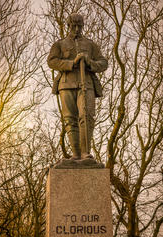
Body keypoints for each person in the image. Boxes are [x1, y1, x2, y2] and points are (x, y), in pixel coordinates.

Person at [47, 13, 108, 160]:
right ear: (68, 25)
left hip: (86, 84)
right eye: (73, 25)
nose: (76, 29)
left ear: (83, 26)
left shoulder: (90, 44)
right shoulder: (60, 44)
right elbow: (52, 61)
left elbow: (103, 63)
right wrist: (71, 63)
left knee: (86, 116)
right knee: (70, 119)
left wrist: (89, 62)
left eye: (79, 26)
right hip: (66, 84)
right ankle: (75, 154)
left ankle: (85, 152)